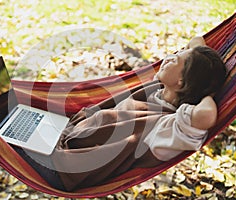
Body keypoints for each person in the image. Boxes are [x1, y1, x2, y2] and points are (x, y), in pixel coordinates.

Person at [14, 36, 227, 191]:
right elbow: (196, 41)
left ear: (182, 82)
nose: (169, 57)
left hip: (63, 170)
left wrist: (209, 93)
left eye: (177, 60)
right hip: (63, 136)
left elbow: (205, 116)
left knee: (0, 130)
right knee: (13, 114)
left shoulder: (168, 128)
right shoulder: (159, 89)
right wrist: (195, 67)